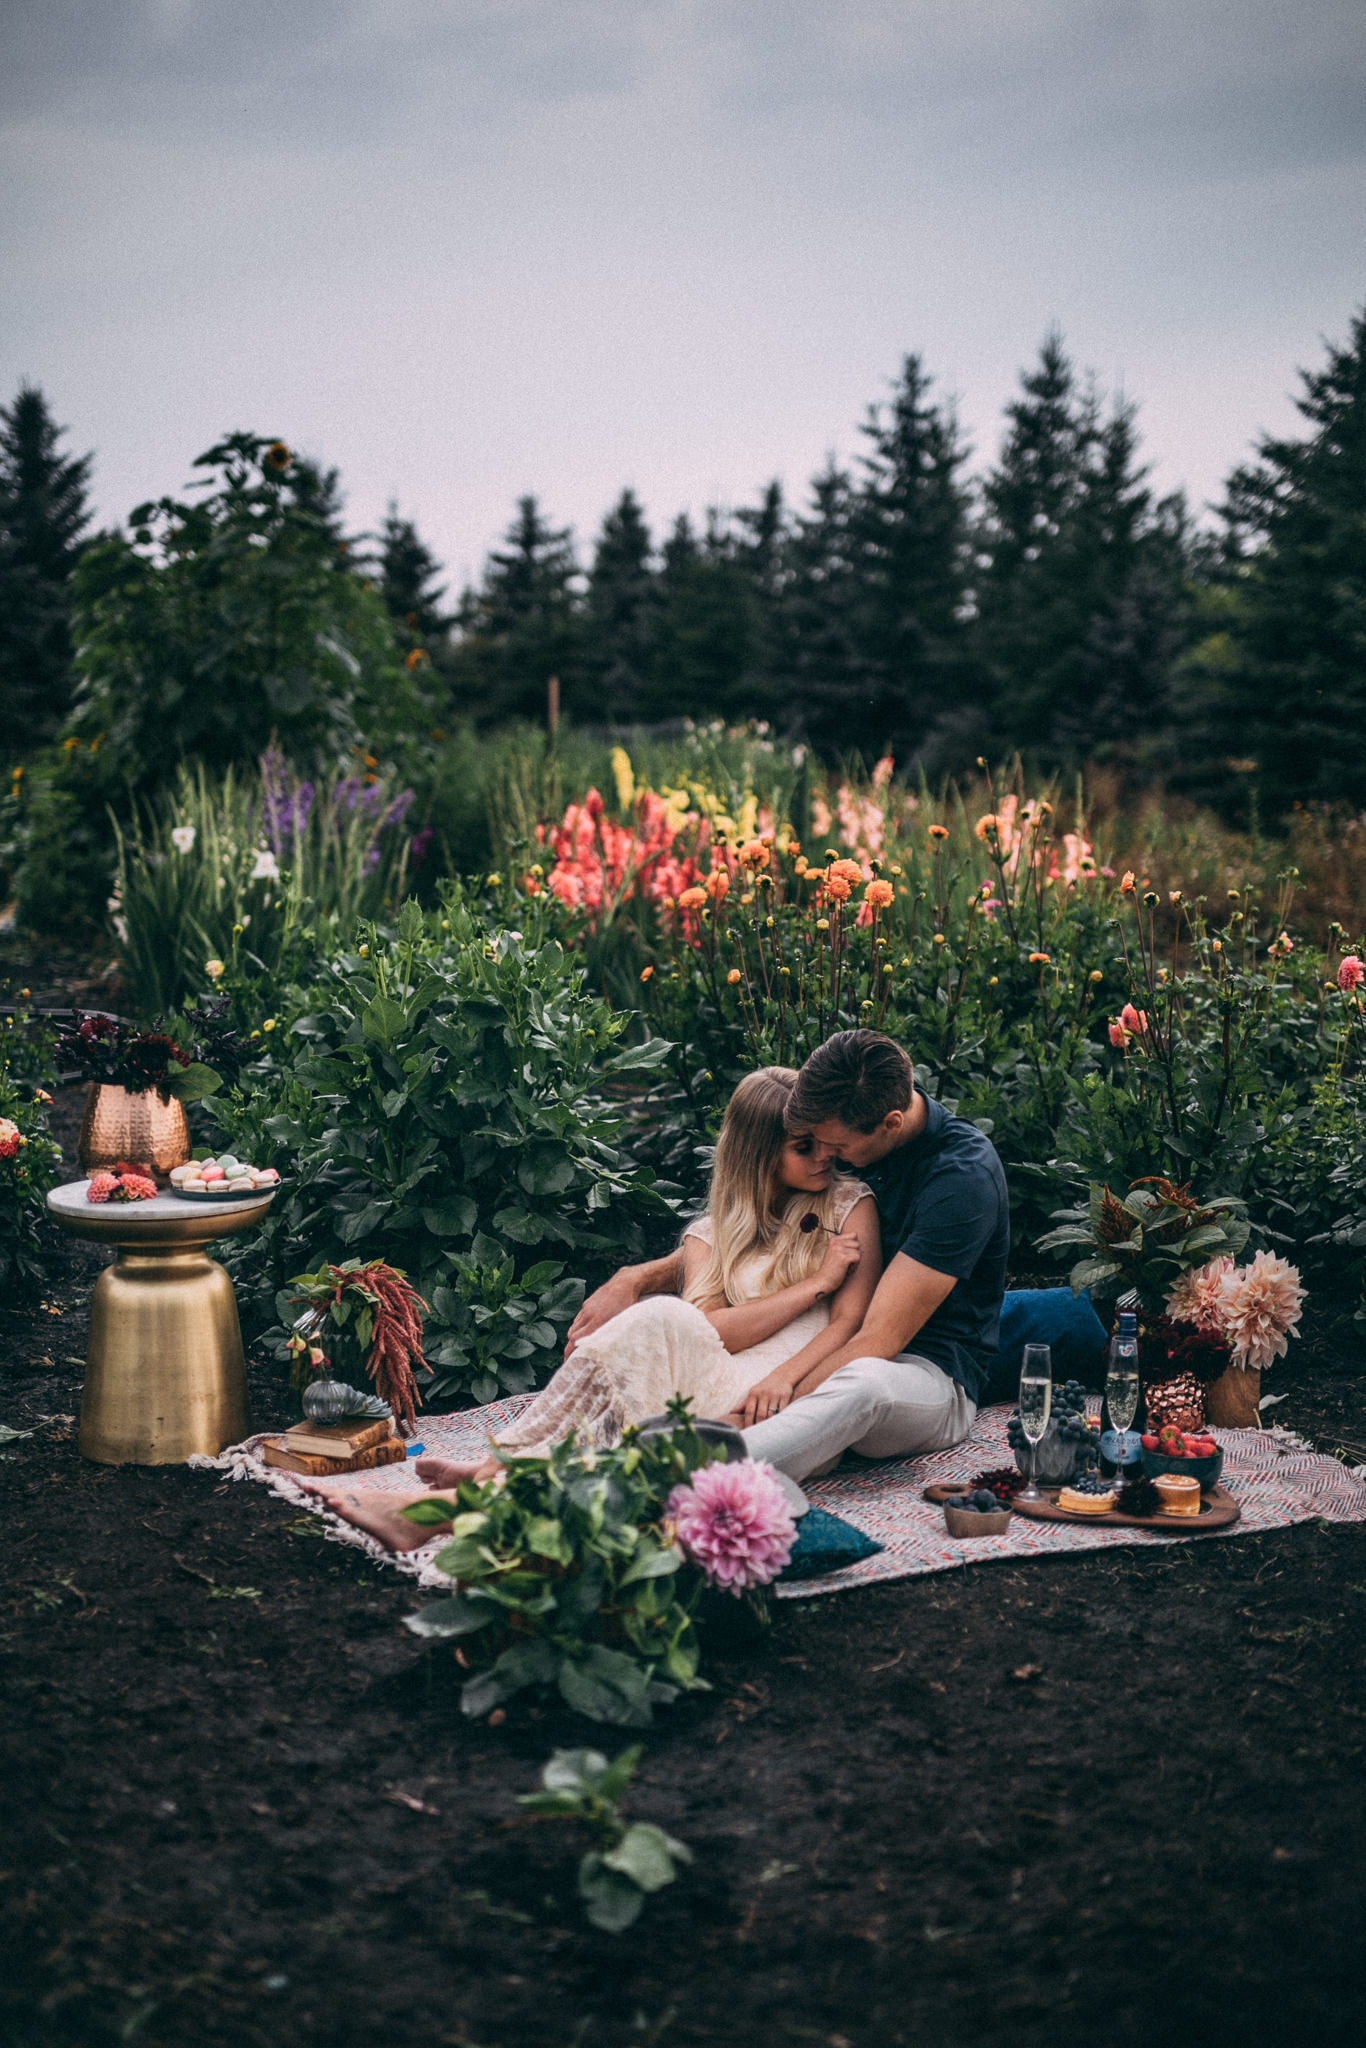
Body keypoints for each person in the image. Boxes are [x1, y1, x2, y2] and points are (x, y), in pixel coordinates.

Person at [309, 1065, 881, 1550]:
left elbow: (851, 1324)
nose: (825, 1158)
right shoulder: (712, 1233)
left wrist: (793, 1366)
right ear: (756, 1153)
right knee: (654, 1340)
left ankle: (485, 1481)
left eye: (825, 1144)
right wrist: (813, 1285)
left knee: (658, 1327)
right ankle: (502, 1472)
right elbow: (712, 1331)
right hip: (719, 1374)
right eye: (803, 1147)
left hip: (781, 1400)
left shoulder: (848, 1205)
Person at [566, 1029, 1009, 1483]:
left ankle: (667, 1476)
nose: (828, 1157)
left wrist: (785, 1392)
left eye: (836, 1147)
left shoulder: (961, 1181)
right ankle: (565, 1443)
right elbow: (759, 1232)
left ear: (891, 1124)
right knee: (660, 1327)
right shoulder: (851, 1112)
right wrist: (635, 1280)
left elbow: (877, 1340)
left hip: (923, 1373)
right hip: (832, 1353)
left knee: (864, 1385)